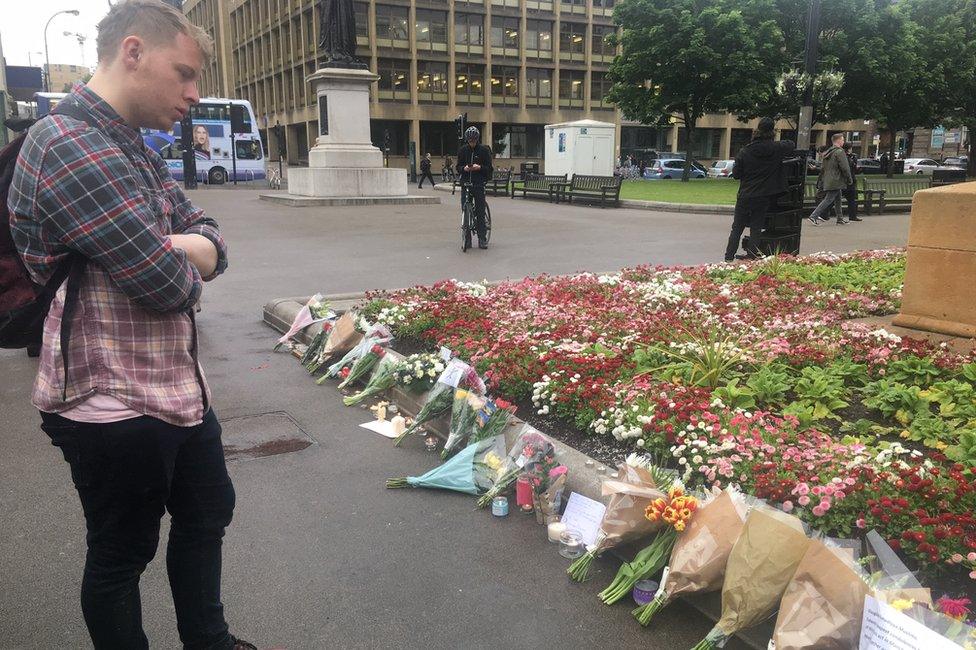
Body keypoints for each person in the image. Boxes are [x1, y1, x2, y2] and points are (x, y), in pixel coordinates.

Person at [7, 2, 260, 649]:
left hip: (174, 389)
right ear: (133, 52)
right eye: (184, 73)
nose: (195, 94)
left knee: (209, 512)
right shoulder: (68, 145)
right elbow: (169, 286)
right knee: (122, 555)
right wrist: (181, 249)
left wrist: (177, 243)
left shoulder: (129, 145)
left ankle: (210, 642)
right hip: (107, 401)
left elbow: (212, 240)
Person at [724, 117, 796, 262]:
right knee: (756, 228)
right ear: (772, 131)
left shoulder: (745, 151)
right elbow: (791, 144)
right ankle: (751, 256)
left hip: (746, 194)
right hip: (763, 195)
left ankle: (729, 257)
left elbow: (736, 174)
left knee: (737, 228)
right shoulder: (776, 148)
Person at [456, 126, 493, 249]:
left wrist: (480, 167)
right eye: (470, 140)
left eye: (474, 140)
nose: (472, 142)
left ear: (477, 139)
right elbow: (458, 167)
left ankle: (482, 238)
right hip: (466, 183)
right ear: (467, 139)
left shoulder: (483, 150)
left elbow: (489, 169)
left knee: (480, 211)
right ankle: (467, 240)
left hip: (478, 184)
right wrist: (464, 168)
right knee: (465, 210)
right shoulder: (462, 150)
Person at [807, 133, 853, 226]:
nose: (843, 141)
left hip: (829, 179)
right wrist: (849, 178)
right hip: (836, 179)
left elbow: (824, 168)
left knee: (838, 199)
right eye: (843, 140)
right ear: (838, 140)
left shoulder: (829, 152)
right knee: (828, 199)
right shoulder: (840, 152)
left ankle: (840, 219)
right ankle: (813, 216)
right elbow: (845, 168)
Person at [842, 142, 863, 222]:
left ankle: (852, 216)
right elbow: (851, 169)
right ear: (849, 149)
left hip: (846, 181)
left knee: (836, 198)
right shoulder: (848, 158)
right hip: (848, 181)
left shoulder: (848, 157)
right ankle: (852, 216)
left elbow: (854, 169)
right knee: (851, 199)